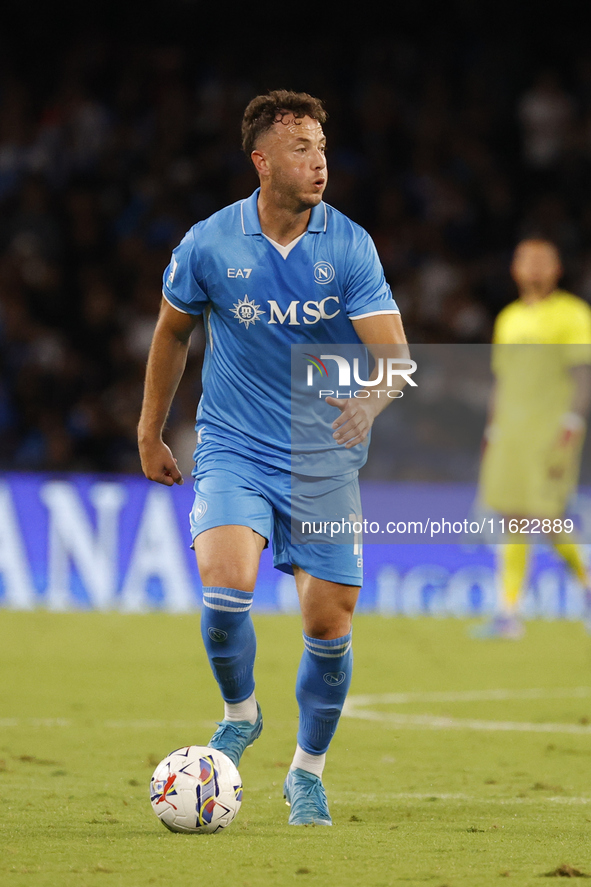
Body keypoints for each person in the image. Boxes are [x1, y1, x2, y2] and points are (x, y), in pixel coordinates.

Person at [137, 90, 408, 825]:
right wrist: (149, 429)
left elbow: (394, 357)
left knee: (327, 622)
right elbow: (171, 333)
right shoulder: (209, 243)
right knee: (225, 585)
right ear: (261, 161)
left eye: (321, 147)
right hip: (233, 446)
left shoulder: (347, 244)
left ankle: (306, 773)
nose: (318, 160)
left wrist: (370, 400)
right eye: (299, 149)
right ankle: (241, 711)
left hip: (322, 457)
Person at [476, 237, 591, 639]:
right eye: (528, 260)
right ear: (515, 269)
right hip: (512, 434)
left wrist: (572, 424)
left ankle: (587, 585)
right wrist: (492, 429)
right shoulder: (508, 318)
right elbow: (502, 379)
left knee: (546, 516)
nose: (536, 267)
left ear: (558, 269)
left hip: (552, 432)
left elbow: (583, 374)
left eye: (545, 260)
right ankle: (508, 615)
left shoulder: (573, 315)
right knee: (512, 517)